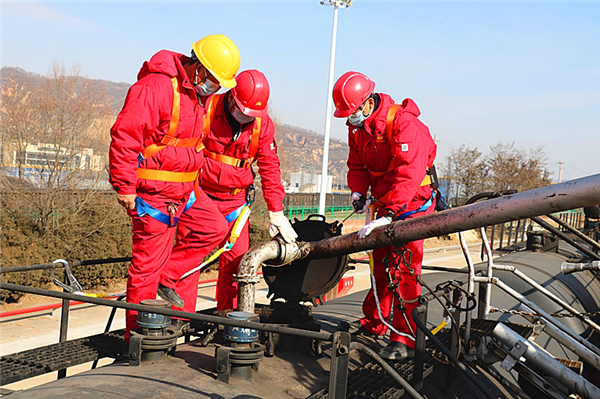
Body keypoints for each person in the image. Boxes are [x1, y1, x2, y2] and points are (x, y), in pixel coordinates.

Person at [109, 34, 240, 345]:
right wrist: (125, 186)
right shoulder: (155, 88)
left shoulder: (195, 95)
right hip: (153, 197)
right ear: (198, 69)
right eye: (214, 81)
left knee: (214, 228)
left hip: (186, 193)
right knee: (144, 273)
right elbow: (125, 136)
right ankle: (137, 340)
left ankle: (169, 277)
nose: (216, 89)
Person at [332, 71, 437, 361]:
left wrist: (391, 213)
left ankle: (404, 337)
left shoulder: (404, 124)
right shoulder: (358, 129)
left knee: (404, 267)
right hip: (384, 204)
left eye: (351, 112)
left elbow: (409, 174)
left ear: (367, 103)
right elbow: (357, 164)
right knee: (379, 262)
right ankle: (375, 321)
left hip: (412, 201)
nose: (347, 119)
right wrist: (357, 191)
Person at [177, 69, 297, 313]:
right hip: (200, 198)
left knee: (237, 268)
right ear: (231, 97)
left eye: (251, 114)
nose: (246, 118)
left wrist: (276, 211)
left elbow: (270, 168)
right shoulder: (206, 109)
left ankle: (229, 321)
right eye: (243, 111)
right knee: (188, 262)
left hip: (235, 205)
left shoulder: (262, 125)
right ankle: (180, 320)